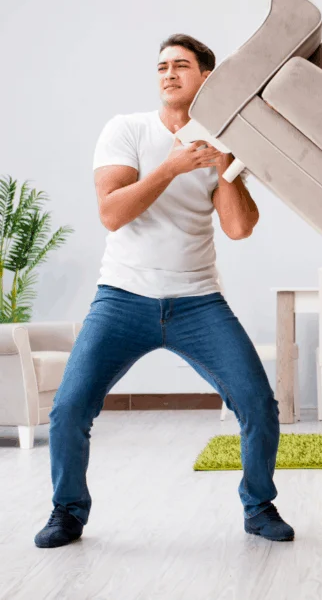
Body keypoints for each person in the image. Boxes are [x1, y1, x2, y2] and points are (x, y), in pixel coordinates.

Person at [34, 33, 293, 548]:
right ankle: (67, 512)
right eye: (161, 67)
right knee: (69, 409)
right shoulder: (126, 129)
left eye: (181, 65)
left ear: (206, 77)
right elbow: (112, 212)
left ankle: (259, 506)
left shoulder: (226, 140)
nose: (169, 74)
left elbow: (239, 229)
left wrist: (225, 170)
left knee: (258, 404)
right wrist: (172, 167)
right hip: (122, 299)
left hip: (198, 301)